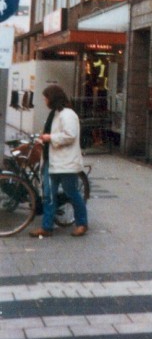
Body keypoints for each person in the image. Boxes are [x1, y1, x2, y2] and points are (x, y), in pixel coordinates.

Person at [29, 84, 89, 238]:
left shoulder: (67, 114)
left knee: (72, 193)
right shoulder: (55, 114)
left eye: (46, 97)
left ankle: (82, 223)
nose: (44, 100)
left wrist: (50, 138)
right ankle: (46, 227)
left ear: (53, 98)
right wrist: (43, 139)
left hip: (65, 163)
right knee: (49, 195)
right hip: (52, 161)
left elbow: (70, 135)